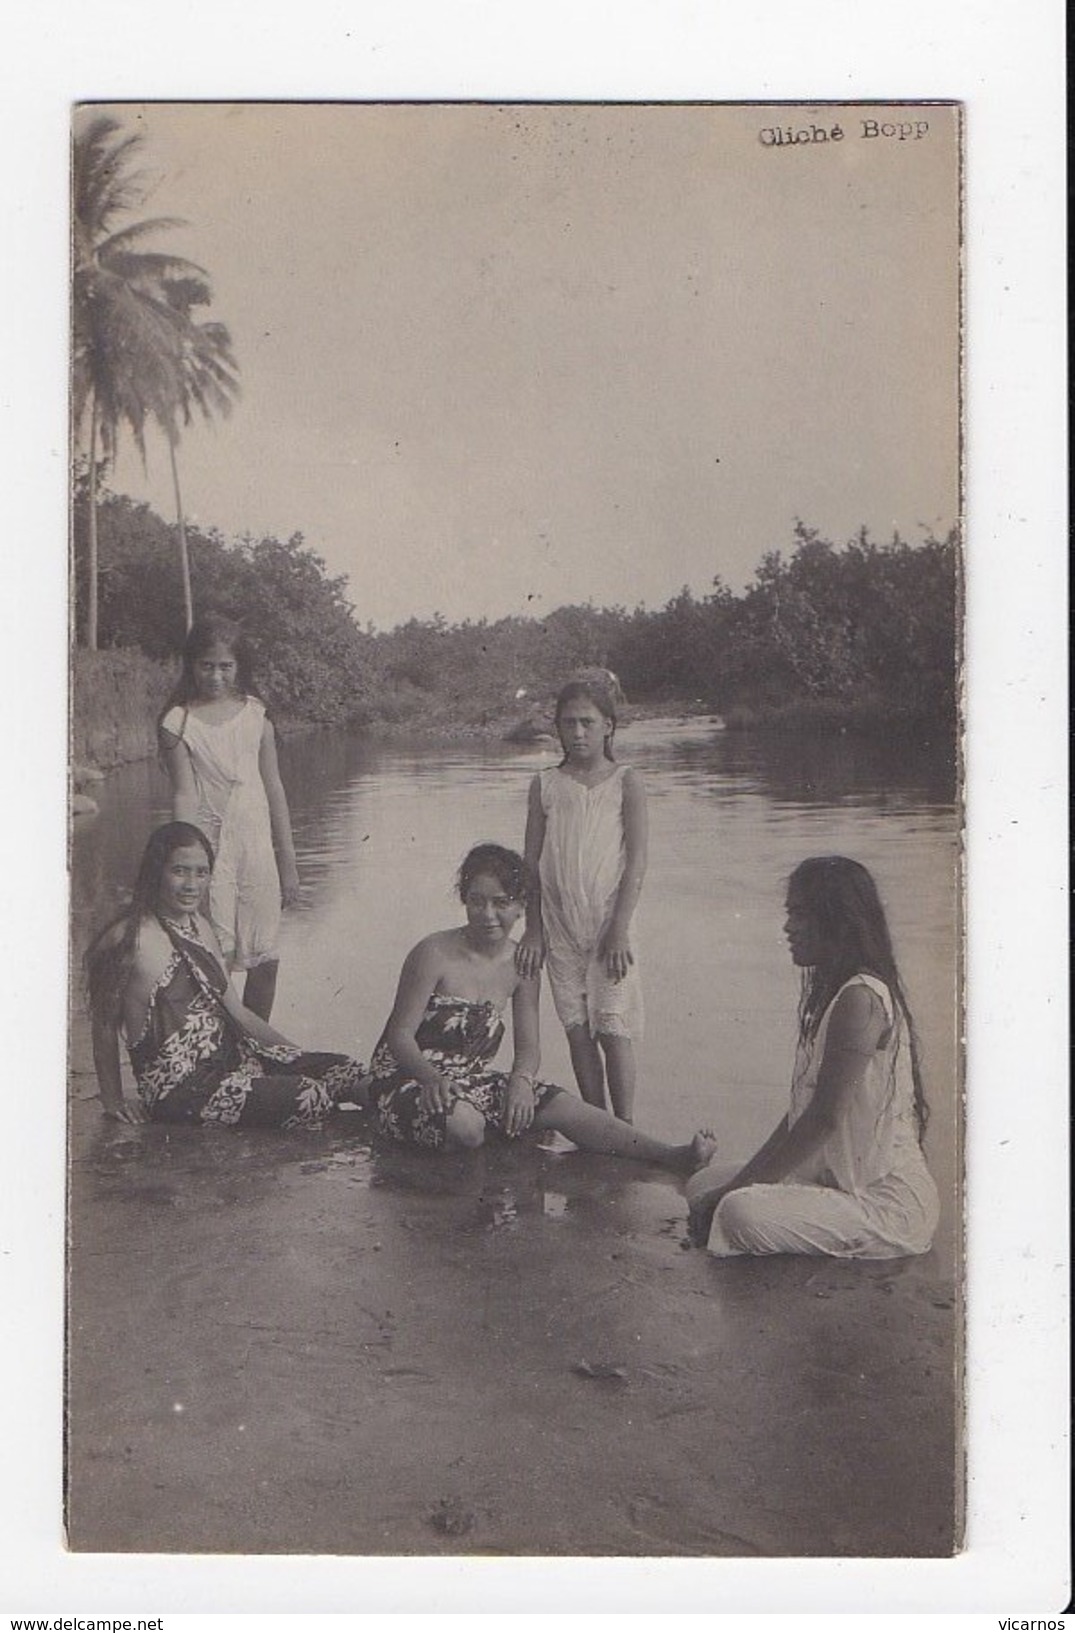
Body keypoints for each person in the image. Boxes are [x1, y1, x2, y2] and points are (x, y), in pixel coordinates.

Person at [371, 842, 713, 1169]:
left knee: (561, 1105)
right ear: (464, 900)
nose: (487, 915)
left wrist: (521, 1080)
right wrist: (430, 1078)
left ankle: (673, 1156)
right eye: (476, 901)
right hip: (410, 1077)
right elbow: (399, 1035)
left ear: (521, 907)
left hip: (469, 1080)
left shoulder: (521, 963)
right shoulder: (432, 953)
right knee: (466, 1127)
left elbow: (529, 1047)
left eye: (500, 903)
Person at [687, 855, 940, 1259]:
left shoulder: (861, 998)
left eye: (799, 914)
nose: (788, 927)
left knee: (736, 1210)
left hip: (884, 1202)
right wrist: (731, 1186)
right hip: (834, 1182)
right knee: (703, 1185)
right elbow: (800, 1115)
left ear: (836, 920)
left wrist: (733, 1193)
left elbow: (824, 1120)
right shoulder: (836, 992)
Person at [86, 822, 366, 1128]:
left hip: (234, 1062)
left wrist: (296, 1057)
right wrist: (113, 1099)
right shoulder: (126, 938)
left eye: (201, 872)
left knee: (344, 1070)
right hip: (179, 1089)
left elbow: (238, 1013)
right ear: (156, 872)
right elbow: (103, 1027)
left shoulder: (200, 926)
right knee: (308, 1095)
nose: (192, 884)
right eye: (180, 871)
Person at [515, 675, 648, 1122]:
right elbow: (529, 863)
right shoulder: (546, 784)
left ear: (609, 726)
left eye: (587, 723)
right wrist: (534, 929)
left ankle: (626, 1126)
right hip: (558, 924)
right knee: (577, 1028)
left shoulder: (626, 782)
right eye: (568, 723)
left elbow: (636, 864)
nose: (577, 733)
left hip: (610, 923)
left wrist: (620, 929)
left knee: (613, 1027)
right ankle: (597, 1122)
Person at [159, 613, 298, 1021]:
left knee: (264, 955)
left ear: (239, 668)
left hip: (256, 847)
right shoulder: (178, 723)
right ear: (191, 665)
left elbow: (274, 786)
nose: (216, 676)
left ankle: (258, 1047)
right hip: (209, 845)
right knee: (213, 950)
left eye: (225, 666)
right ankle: (220, 1048)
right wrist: (184, 863)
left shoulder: (257, 714)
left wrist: (288, 860)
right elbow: (184, 794)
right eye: (207, 666)